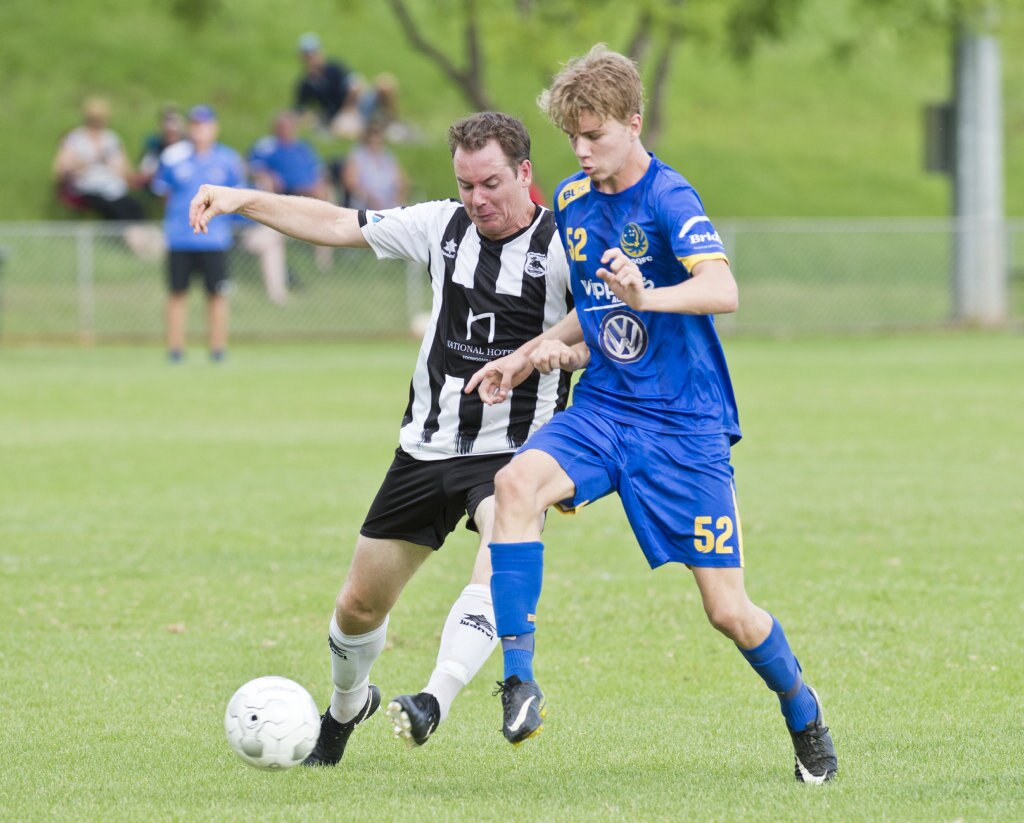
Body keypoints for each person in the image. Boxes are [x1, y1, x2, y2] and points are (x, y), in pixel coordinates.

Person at [465, 45, 839, 784]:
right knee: (514, 487)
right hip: (604, 408)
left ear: (634, 124)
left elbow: (723, 290)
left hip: (685, 427)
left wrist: (650, 296)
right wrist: (534, 350)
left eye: (595, 134)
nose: (581, 149)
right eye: (573, 135)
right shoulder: (571, 200)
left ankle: (804, 710)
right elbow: (592, 311)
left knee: (729, 611)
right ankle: (518, 680)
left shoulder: (670, 198)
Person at [188, 111, 575, 765]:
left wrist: (572, 391)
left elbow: (607, 332)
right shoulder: (442, 228)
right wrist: (244, 200)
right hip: (426, 448)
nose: (476, 199)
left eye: (490, 183)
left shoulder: (565, 247)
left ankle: (436, 697)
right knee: (358, 606)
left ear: (525, 173)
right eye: (464, 184)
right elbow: (341, 223)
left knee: (502, 556)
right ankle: (345, 708)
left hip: (515, 451)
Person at [152, 105, 245, 362]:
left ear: (214, 128)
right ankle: (175, 349)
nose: (199, 130)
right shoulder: (174, 157)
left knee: (217, 294)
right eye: (194, 124)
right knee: (177, 293)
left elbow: (239, 196)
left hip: (214, 240)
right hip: (180, 238)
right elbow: (163, 191)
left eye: (204, 124)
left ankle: (217, 348)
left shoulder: (228, 159)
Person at [245, 110, 333, 303]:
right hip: (281, 194)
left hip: (307, 195)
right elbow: (253, 168)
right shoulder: (266, 147)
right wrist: (267, 176)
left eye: (289, 126)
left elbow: (318, 171)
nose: (286, 130)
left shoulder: (303, 148)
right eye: (282, 126)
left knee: (325, 193)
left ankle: (325, 251)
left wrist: (317, 185)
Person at [52, 96, 145, 221]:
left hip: (114, 188)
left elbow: (125, 168)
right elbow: (61, 169)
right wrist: (83, 164)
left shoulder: (112, 138)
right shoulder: (76, 138)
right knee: (115, 209)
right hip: (88, 187)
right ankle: (132, 237)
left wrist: (131, 177)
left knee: (135, 208)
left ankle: (144, 237)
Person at [293, 32, 359, 135]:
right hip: (334, 115)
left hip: (353, 107)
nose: (312, 59)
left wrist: (346, 112)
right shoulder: (306, 83)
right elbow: (299, 109)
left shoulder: (335, 68)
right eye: (308, 56)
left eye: (314, 54)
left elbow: (356, 85)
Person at [341, 118, 408, 211]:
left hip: (389, 203)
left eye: (377, 134)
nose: (375, 138)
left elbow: (402, 180)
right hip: (366, 204)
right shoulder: (358, 155)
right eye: (372, 134)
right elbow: (350, 182)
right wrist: (369, 198)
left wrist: (399, 196)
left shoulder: (387, 156)